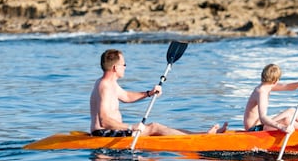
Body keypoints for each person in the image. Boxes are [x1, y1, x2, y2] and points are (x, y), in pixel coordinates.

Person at [89, 48, 226, 136]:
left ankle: (200, 134)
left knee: (154, 128)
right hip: (104, 134)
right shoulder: (105, 86)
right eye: (124, 64)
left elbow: (126, 96)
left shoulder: (109, 83)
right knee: (154, 127)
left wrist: (149, 93)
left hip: (114, 131)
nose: (125, 67)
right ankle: (200, 137)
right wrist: (132, 127)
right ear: (115, 67)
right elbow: (105, 120)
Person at [243, 63, 298, 133]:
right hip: (255, 129)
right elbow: (263, 118)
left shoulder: (267, 86)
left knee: (292, 111)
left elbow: (287, 86)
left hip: (262, 126)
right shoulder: (261, 92)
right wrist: (281, 127)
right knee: (286, 120)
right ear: (275, 81)